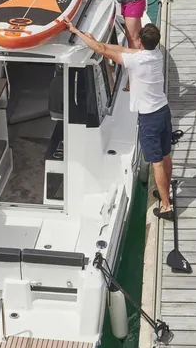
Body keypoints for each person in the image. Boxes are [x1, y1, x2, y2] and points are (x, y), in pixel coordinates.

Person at [64, 19, 174, 220]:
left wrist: (75, 31)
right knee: (166, 155)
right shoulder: (155, 55)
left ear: (140, 42)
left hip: (149, 118)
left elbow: (101, 49)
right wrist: (97, 40)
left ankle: (166, 207)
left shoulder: (136, 61)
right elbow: (119, 48)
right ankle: (166, 192)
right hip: (163, 111)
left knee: (156, 163)